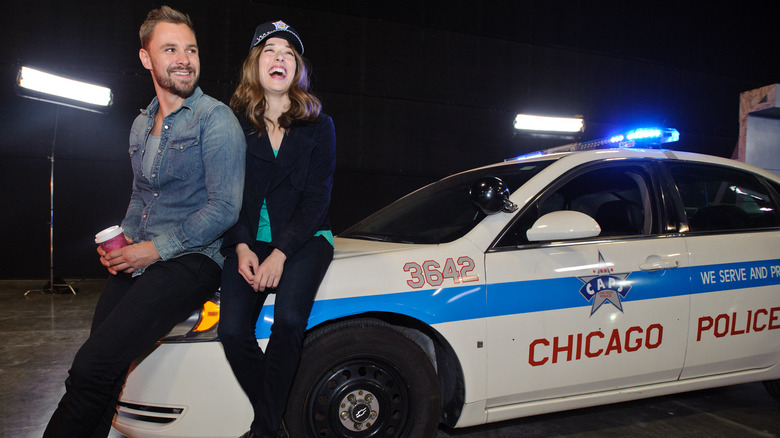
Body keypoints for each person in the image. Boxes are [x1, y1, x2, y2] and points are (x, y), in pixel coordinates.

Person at [43, 6, 246, 437]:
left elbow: (225, 208)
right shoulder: (140, 124)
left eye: (190, 49)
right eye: (170, 48)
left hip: (193, 259)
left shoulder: (216, 119)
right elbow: (141, 196)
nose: (184, 59)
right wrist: (124, 238)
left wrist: (151, 250)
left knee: (91, 366)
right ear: (146, 58)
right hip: (144, 256)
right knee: (103, 370)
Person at [219, 20, 336, 438]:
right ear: (255, 63)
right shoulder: (232, 123)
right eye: (270, 50)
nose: (280, 58)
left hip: (303, 240)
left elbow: (316, 199)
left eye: (289, 53)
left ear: (297, 68)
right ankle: (278, 421)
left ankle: (265, 430)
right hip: (247, 240)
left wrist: (281, 253)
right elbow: (226, 194)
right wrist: (242, 247)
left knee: (288, 320)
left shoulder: (318, 125)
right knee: (231, 331)